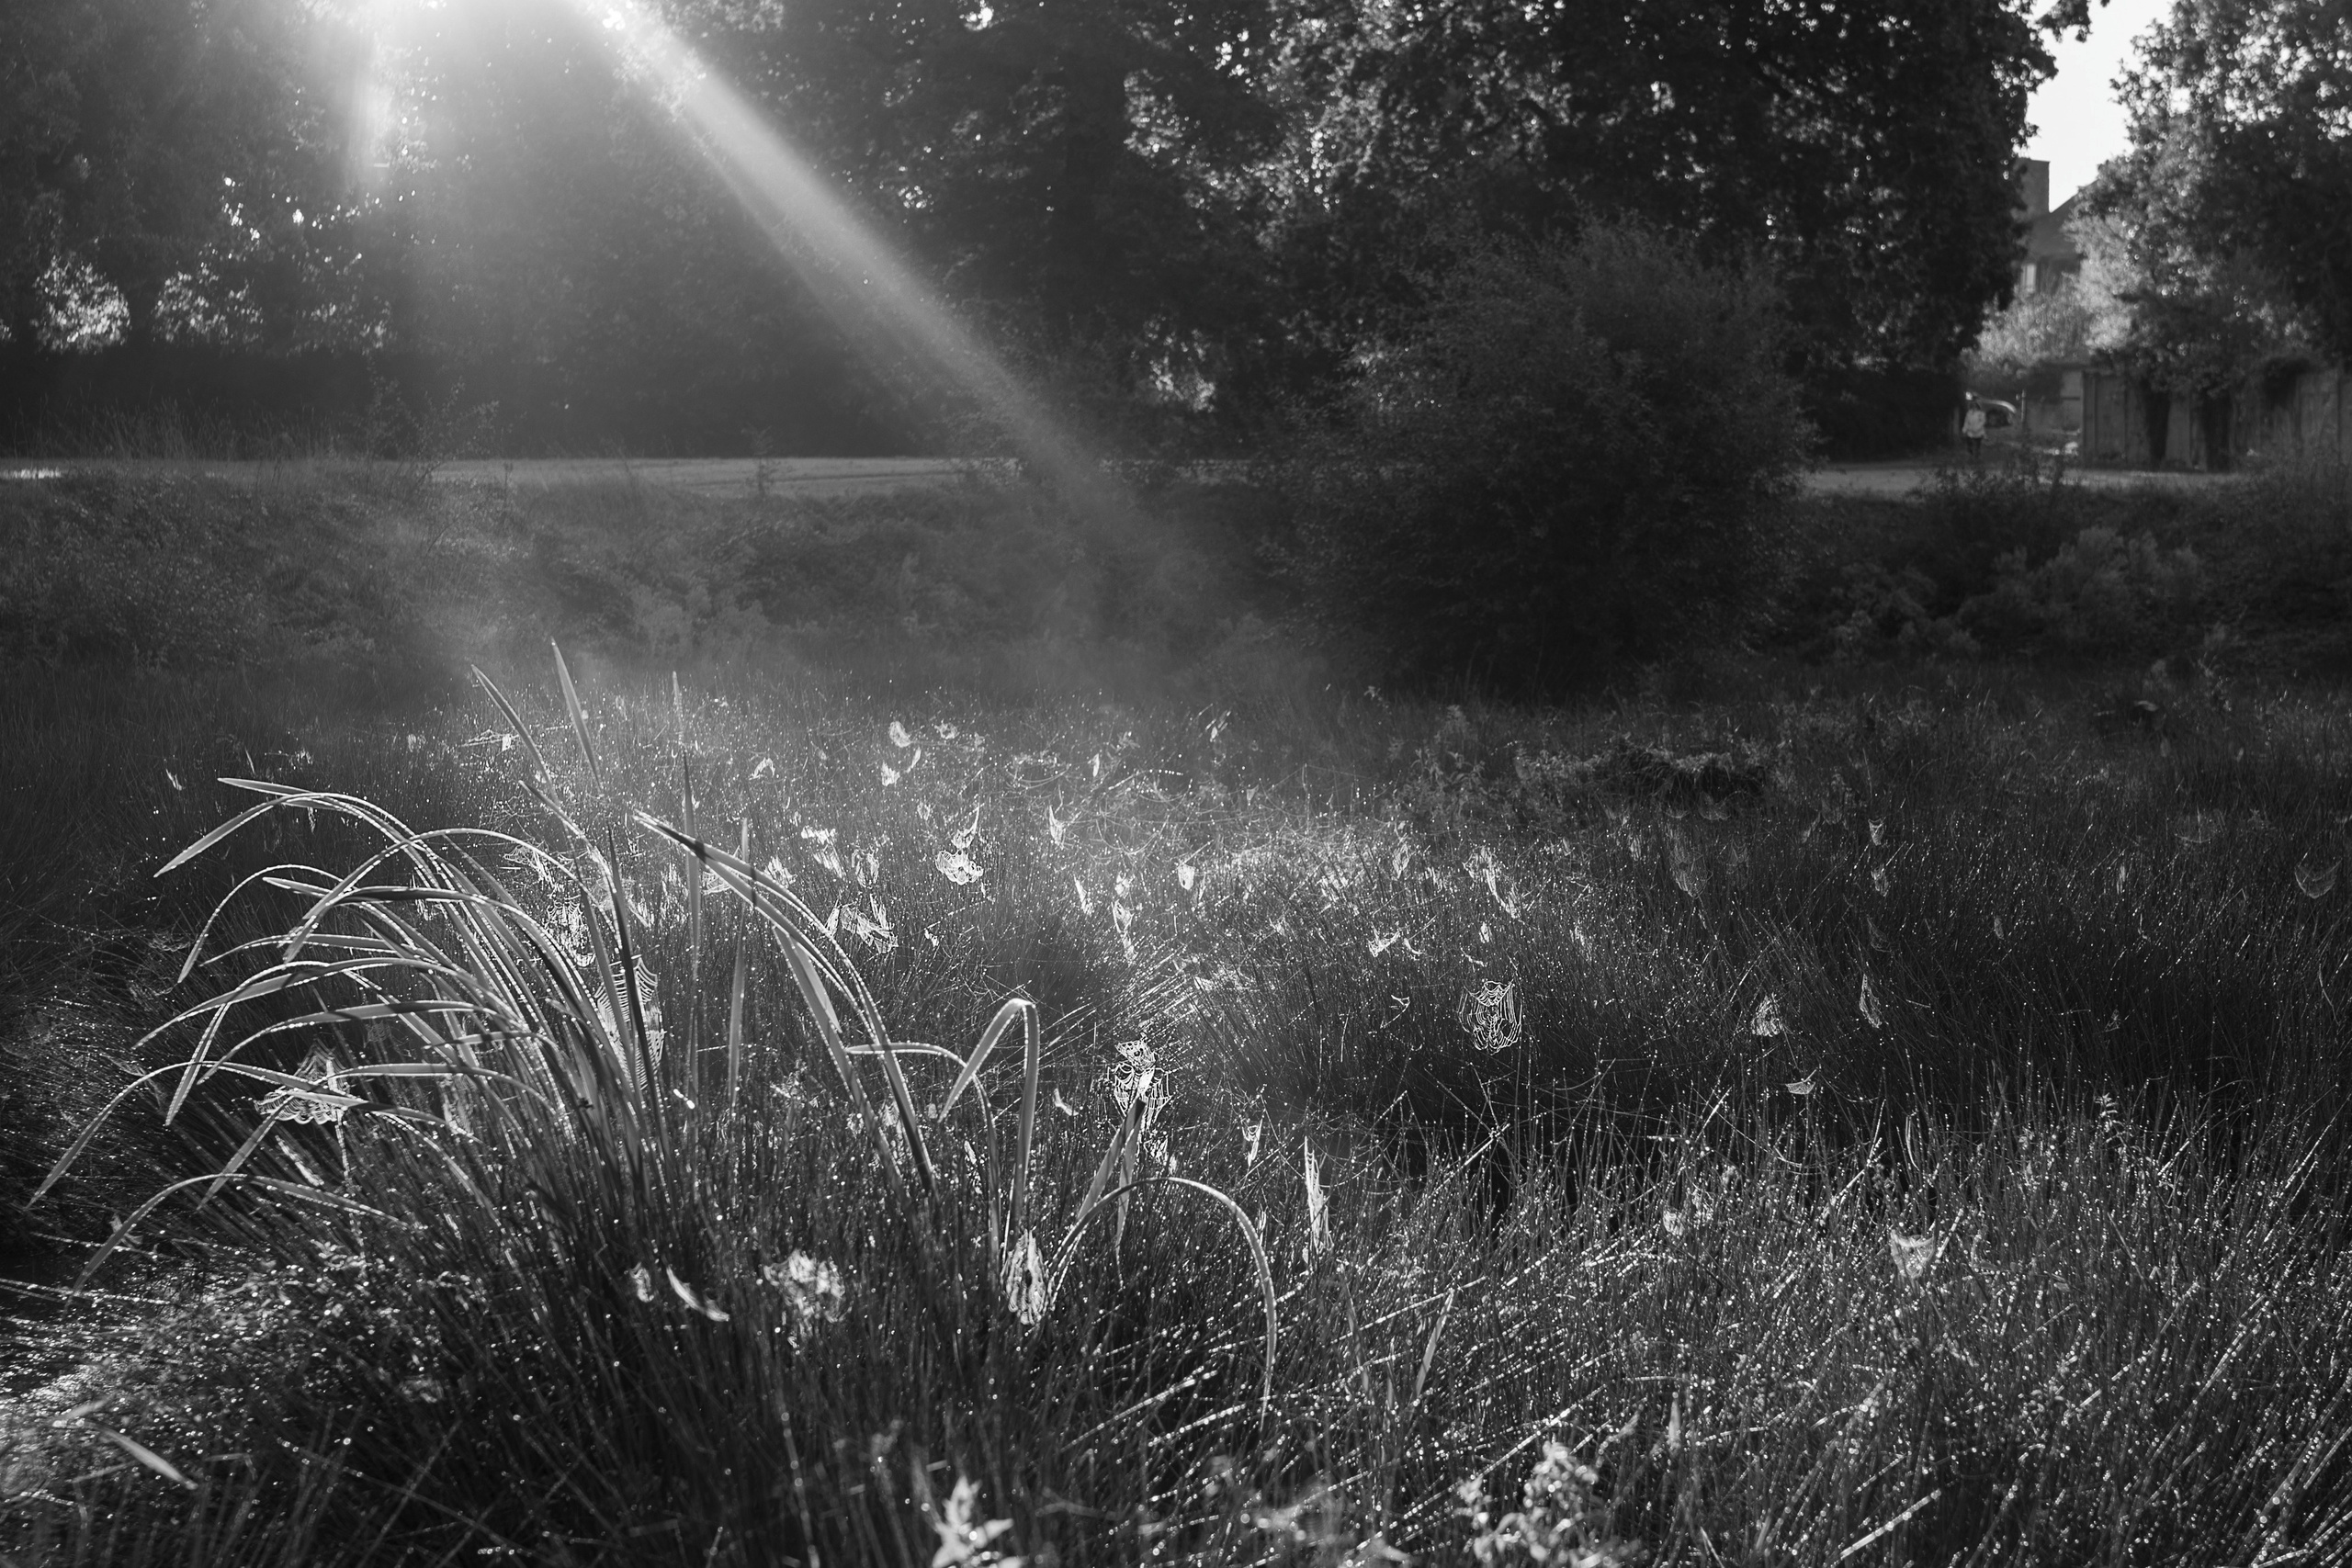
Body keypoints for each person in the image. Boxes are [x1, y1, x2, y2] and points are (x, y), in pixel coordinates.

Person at [1962, 395, 1987, 459]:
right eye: (1973, 406)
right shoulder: (1969, 413)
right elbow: (1966, 422)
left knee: (1977, 444)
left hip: (1978, 432)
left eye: (1975, 406)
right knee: (1969, 443)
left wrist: (1977, 428)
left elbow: (1982, 422)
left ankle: (1977, 455)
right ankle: (1971, 453)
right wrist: (1964, 429)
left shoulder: (1981, 414)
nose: (1974, 407)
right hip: (1970, 431)